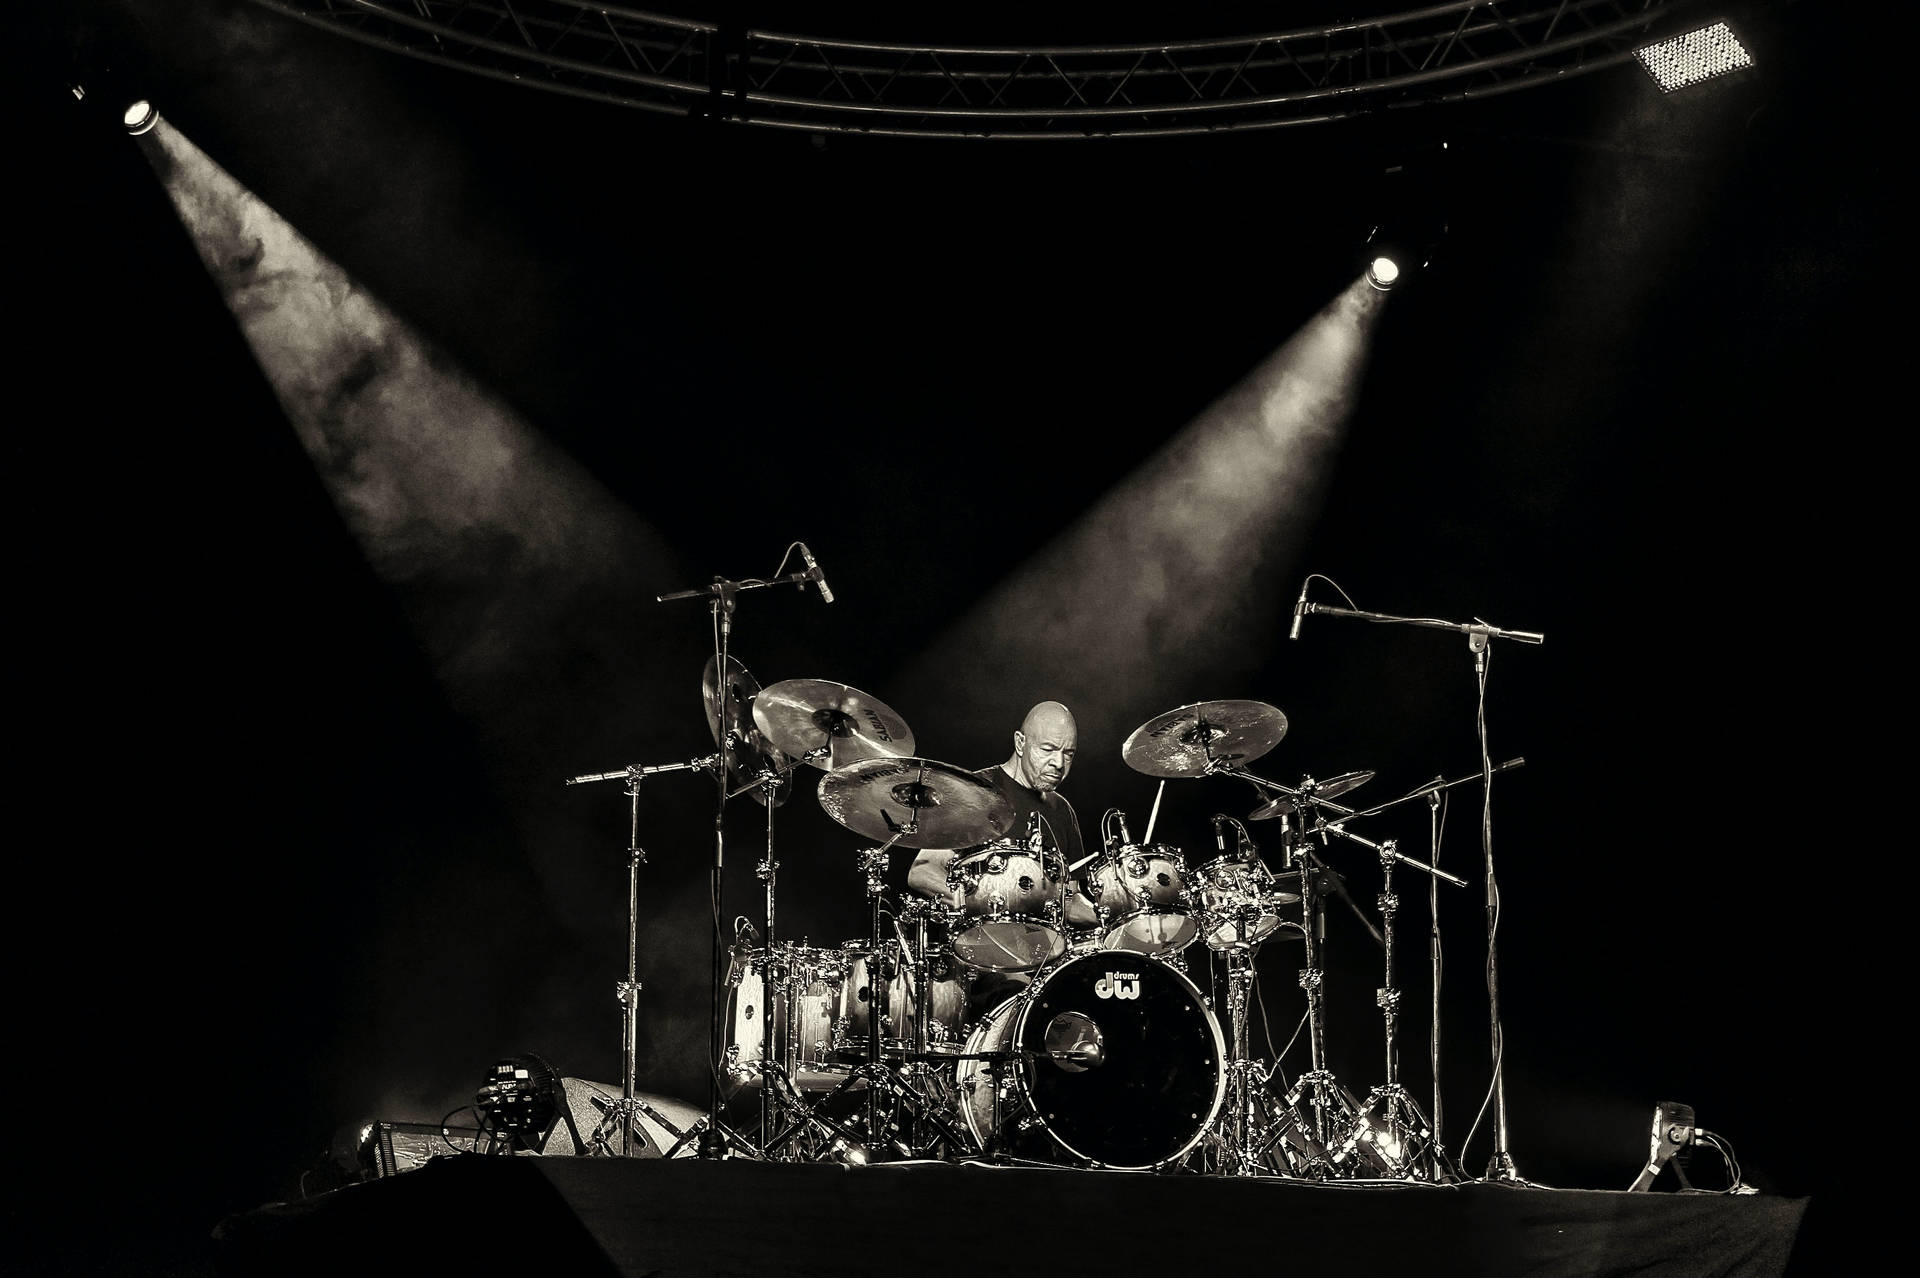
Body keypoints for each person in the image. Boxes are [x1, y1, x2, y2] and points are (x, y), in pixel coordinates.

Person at [907, 701, 1099, 1010]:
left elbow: (1068, 899)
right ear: (1020, 743)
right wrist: (973, 898)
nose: (1058, 764)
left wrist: (1115, 918)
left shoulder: (1062, 811)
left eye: (1068, 754)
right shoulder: (978, 794)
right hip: (982, 958)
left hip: (1044, 957)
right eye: (1047, 749)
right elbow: (922, 871)